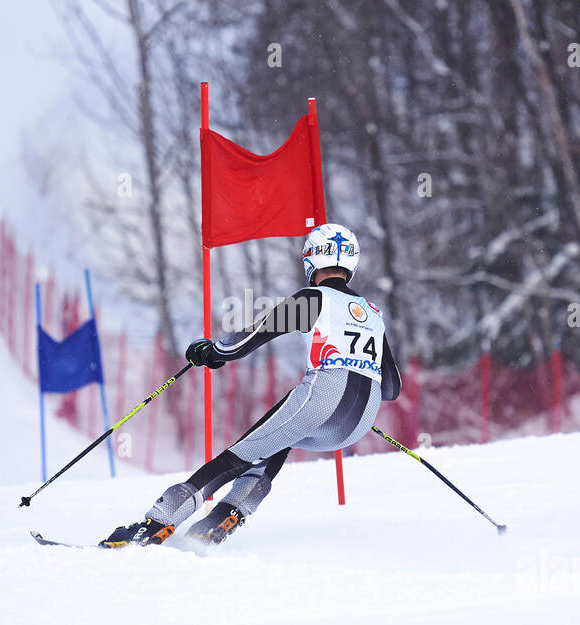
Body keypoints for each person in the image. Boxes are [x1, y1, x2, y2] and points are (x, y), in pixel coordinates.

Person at [101, 223, 402, 549]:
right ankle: (222, 519)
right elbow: (391, 388)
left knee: (236, 458)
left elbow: (254, 335)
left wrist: (212, 351)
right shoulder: (373, 314)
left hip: (322, 401)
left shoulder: (314, 298)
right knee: (276, 442)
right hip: (358, 422)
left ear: (311, 262)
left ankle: (154, 526)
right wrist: (355, 384)